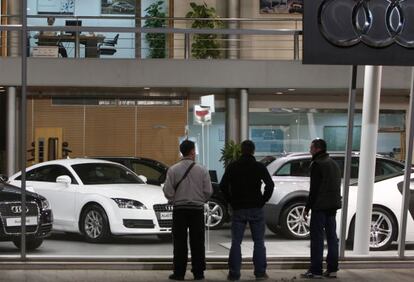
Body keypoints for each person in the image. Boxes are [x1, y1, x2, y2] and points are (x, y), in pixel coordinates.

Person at [220, 140, 274, 281]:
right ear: (253, 151)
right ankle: (260, 273)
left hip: (238, 208)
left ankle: (234, 274)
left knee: (236, 242)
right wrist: (263, 200)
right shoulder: (259, 167)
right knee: (259, 242)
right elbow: (270, 185)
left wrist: (231, 201)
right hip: (256, 207)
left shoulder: (233, 167)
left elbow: (223, 186)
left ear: (241, 151)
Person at [163, 140, 213, 281]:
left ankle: (179, 273)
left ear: (182, 152)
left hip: (179, 210)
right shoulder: (202, 169)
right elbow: (208, 191)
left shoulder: (173, 170)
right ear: (192, 151)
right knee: (198, 242)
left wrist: (175, 198)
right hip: (197, 210)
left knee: (179, 243)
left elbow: (167, 191)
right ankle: (198, 273)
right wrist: (200, 200)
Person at [301, 138, 342, 279]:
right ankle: (332, 269)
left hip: (320, 206)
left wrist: (307, 208)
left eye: (311, 148)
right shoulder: (333, 163)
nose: (310, 150)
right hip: (333, 206)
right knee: (332, 238)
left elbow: (314, 189)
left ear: (317, 149)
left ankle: (316, 270)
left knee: (317, 238)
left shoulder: (317, 164)